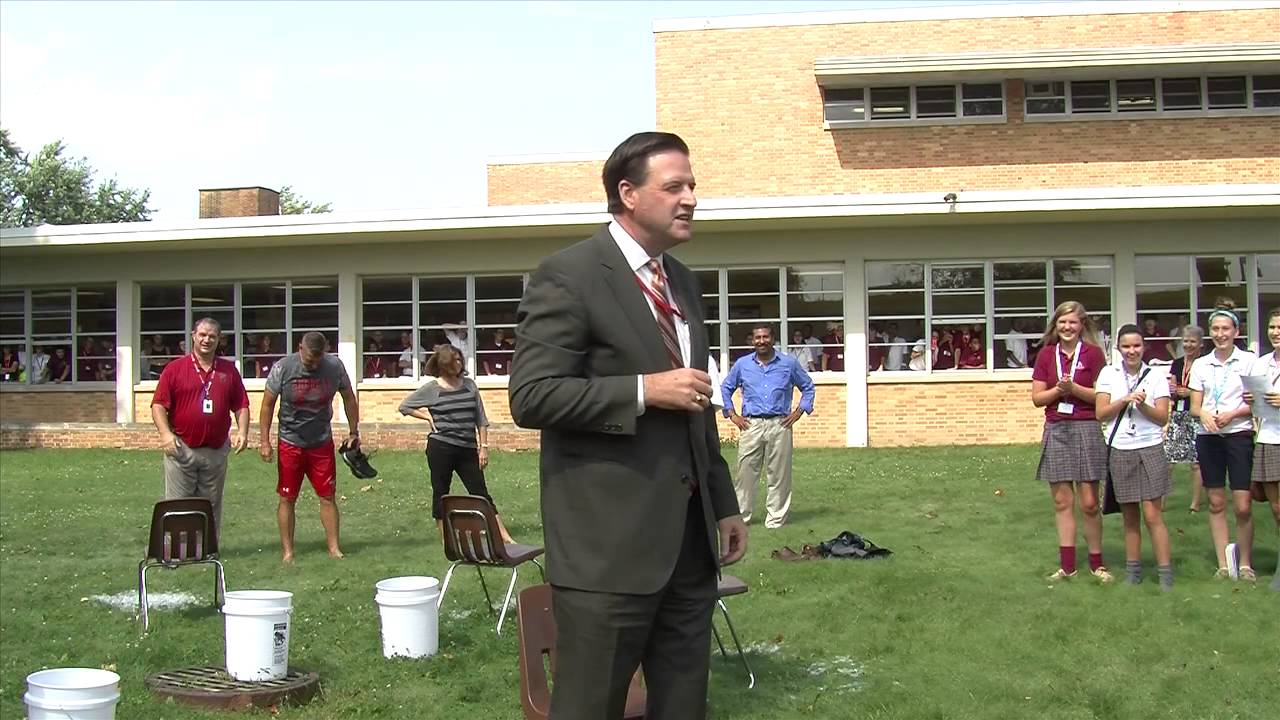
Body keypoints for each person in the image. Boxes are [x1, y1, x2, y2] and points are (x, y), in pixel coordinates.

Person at [507, 131, 746, 719]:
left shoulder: (682, 280)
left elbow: (697, 402)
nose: (690, 197)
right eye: (674, 187)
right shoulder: (569, 275)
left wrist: (723, 503)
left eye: (692, 185)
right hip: (606, 552)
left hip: (689, 551)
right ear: (628, 194)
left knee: (684, 705)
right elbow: (532, 396)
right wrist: (644, 390)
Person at [399, 343, 515, 543]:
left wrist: (483, 448)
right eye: (456, 360)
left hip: (467, 448)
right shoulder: (432, 388)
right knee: (441, 491)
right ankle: (446, 538)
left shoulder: (469, 385)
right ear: (445, 364)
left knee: (480, 492)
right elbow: (405, 406)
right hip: (441, 447)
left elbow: (481, 419)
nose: (460, 362)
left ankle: (504, 536)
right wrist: (426, 417)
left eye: (460, 359)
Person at [258, 332, 358, 562]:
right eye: (309, 360)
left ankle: (334, 548)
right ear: (299, 348)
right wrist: (264, 441)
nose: (313, 365)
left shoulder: (334, 366)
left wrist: (354, 432)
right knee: (287, 497)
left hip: (321, 441)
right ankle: (288, 552)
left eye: (318, 360)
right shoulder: (283, 368)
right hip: (290, 441)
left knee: (327, 495)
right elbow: (267, 406)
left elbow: (349, 398)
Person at [1031, 301, 1112, 582]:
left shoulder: (1093, 355)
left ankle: (1097, 564)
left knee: (1089, 502)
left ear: (1082, 326)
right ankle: (1067, 567)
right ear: (1055, 325)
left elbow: (1103, 397)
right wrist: (1058, 389)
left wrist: (1074, 388)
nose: (1067, 328)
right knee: (1063, 501)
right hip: (1057, 429)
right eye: (1062, 323)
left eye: (1073, 323)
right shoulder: (1045, 355)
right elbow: (1037, 398)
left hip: (1087, 428)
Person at [151, 318, 250, 536]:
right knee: (177, 505)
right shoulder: (175, 369)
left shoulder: (228, 371)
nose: (207, 340)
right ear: (193, 336)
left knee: (210, 504)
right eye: (203, 335)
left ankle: (207, 551)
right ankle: (175, 552)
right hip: (181, 448)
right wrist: (165, 434)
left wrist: (243, 431)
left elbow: (241, 404)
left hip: (215, 451)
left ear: (219, 340)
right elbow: (158, 405)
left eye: (212, 336)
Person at [1095, 324, 1173, 590]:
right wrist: (1125, 400)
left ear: (1144, 347)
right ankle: (1133, 572)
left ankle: (1165, 574)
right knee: (1129, 516)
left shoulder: (1155, 376)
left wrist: (1143, 405)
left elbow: (1163, 416)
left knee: (1153, 515)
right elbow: (1101, 413)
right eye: (1126, 346)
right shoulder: (1108, 373)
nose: (1132, 351)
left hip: (1150, 446)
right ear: (1118, 348)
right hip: (1121, 448)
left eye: (1137, 346)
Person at [721, 323, 815, 529]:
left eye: (765, 337)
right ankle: (742, 517)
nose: (761, 341)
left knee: (779, 474)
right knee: (745, 473)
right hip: (750, 425)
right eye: (757, 338)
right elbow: (726, 387)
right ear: (752, 341)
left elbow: (808, 386)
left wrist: (799, 412)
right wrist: (731, 414)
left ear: (772, 339)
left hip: (779, 424)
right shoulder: (742, 364)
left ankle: (776, 520)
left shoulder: (788, 364)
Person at [1188, 301, 1258, 581]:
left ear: (1236, 331)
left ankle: (1245, 564)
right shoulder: (1202, 364)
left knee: (1242, 504)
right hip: (1209, 438)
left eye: (1225, 328)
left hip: (1239, 434)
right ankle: (1223, 564)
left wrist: (1234, 413)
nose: (1220, 334)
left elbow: (1256, 402)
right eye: (1215, 329)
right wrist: (1203, 412)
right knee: (1216, 502)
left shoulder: (1249, 361)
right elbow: (1194, 405)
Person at [1249, 308, 1280, 591]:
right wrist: (1250, 398)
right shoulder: (1261, 364)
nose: (1275, 332)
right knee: (1277, 508)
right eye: (1272, 327)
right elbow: (1255, 403)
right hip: (1270, 438)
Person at [1165, 325, 1205, 512]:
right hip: (1178, 415)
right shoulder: (1177, 363)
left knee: (1196, 463)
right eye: (1186, 341)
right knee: (1169, 460)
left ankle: (1195, 504)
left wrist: (1190, 392)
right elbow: (1171, 389)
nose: (1188, 345)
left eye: (1192, 341)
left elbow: (1209, 391)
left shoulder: (1204, 364)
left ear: (1200, 344)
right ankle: (1161, 503)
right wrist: (1172, 391)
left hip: (1196, 414)